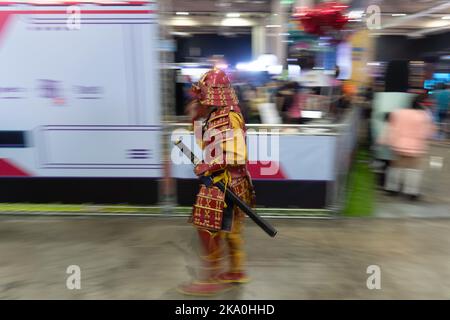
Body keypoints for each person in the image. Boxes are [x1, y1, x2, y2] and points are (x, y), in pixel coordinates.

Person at [178, 68, 255, 296]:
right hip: (231, 181)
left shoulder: (229, 115)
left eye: (201, 92)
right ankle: (236, 271)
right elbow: (208, 144)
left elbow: (237, 155)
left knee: (208, 228)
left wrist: (207, 166)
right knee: (231, 230)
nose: (198, 97)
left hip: (225, 183)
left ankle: (210, 279)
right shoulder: (219, 113)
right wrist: (195, 120)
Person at [378, 94, 435, 200]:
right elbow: (427, 133)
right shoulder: (424, 116)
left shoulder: (400, 113)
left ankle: (392, 188)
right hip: (415, 147)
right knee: (413, 170)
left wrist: (384, 141)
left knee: (396, 168)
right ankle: (411, 192)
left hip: (398, 145)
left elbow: (391, 128)